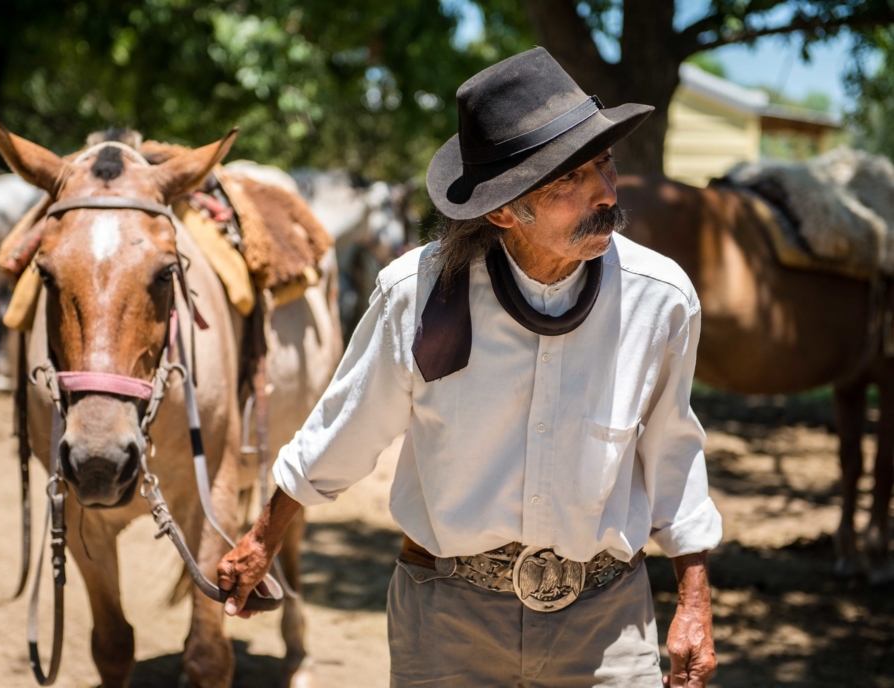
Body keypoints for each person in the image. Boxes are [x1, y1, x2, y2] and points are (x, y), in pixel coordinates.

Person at [218, 47, 721, 688]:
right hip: (447, 622)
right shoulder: (417, 292)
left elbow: (674, 453)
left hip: (605, 625)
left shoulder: (661, 298)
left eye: (603, 163)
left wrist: (694, 603)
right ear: (503, 211)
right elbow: (343, 431)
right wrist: (262, 539)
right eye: (568, 180)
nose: (604, 192)